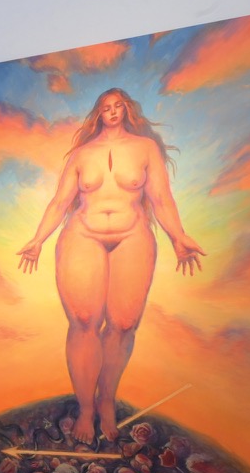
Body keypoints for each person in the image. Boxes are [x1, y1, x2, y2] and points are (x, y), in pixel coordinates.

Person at [17, 88, 205, 443]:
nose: (113, 111)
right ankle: (86, 409)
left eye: (119, 106)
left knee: (123, 323)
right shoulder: (82, 154)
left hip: (133, 234)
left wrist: (178, 237)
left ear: (127, 110)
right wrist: (38, 239)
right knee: (84, 320)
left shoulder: (145, 148)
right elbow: (60, 202)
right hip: (82, 234)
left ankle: (106, 400)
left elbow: (161, 199)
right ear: (99, 113)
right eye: (106, 107)